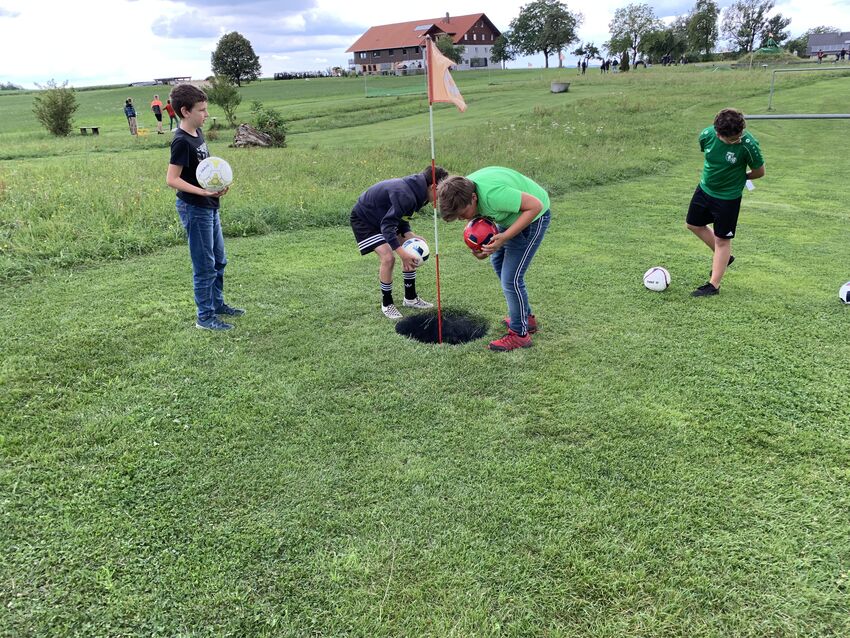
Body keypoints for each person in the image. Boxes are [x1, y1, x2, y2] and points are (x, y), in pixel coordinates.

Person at [438, 167, 551, 352]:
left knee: (511, 279)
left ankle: (519, 335)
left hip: (534, 217)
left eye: (462, 214)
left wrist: (504, 237)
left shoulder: (493, 195)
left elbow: (535, 206)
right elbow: (486, 234)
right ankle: (525, 318)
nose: (461, 219)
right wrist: (482, 251)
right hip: (510, 217)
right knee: (498, 262)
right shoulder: (460, 189)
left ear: (474, 198)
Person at [166, 84, 244, 331]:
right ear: (185, 111)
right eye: (201, 110)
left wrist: (218, 185)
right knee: (204, 266)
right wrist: (203, 192)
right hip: (194, 208)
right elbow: (172, 179)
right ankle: (205, 317)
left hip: (209, 205)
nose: (206, 114)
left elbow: (204, 169)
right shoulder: (181, 141)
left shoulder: (198, 133)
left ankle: (217, 304)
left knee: (219, 260)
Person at [685, 108, 765, 297]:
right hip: (704, 189)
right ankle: (725, 258)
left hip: (728, 198)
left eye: (738, 137)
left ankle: (713, 285)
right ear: (717, 132)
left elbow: (759, 172)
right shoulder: (706, 135)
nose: (735, 141)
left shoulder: (748, 144)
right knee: (693, 224)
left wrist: (741, 177)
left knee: (722, 239)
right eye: (730, 140)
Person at [350, 167, 447, 319]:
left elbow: (401, 218)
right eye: (443, 191)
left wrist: (410, 236)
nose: (443, 196)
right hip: (365, 219)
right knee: (388, 257)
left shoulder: (419, 193)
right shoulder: (406, 194)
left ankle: (410, 298)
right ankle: (387, 303)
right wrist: (402, 253)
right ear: (433, 186)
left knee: (411, 246)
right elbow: (387, 226)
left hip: (382, 218)